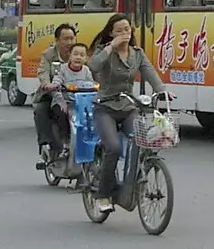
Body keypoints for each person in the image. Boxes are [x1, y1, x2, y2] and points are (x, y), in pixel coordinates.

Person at [88, 14, 166, 215]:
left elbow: (150, 73)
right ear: (111, 33)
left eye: (128, 29)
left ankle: (131, 185)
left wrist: (162, 90)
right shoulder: (105, 52)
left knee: (143, 142)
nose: (125, 33)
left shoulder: (137, 54)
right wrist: (111, 46)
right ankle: (103, 195)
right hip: (105, 107)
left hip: (129, 107)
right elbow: (93, 66)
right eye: (120, 30)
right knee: (113, 147)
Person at [33, 24, 79, 152]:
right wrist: (47, 85)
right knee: (41, 110)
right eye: (65, 39)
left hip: (76, 96)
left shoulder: (78, 53)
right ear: (57, 40)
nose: (69, 42)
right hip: (52, 94)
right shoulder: (48, 55)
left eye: (72, 38)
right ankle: (46, 145)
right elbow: (43, 72)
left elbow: (89, 71)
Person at [49, 42, 98, 156]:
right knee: (62, 115)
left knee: (94, 117)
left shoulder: (86, 70)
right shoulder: (62, 69)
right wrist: (61, 102)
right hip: (64, 101)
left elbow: (92, 85)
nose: (78, 57)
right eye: (75, 54)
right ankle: (65, 143)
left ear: (86, 58)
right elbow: (55, 85)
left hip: (82, 102)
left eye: (82, 55)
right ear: (69, 55)